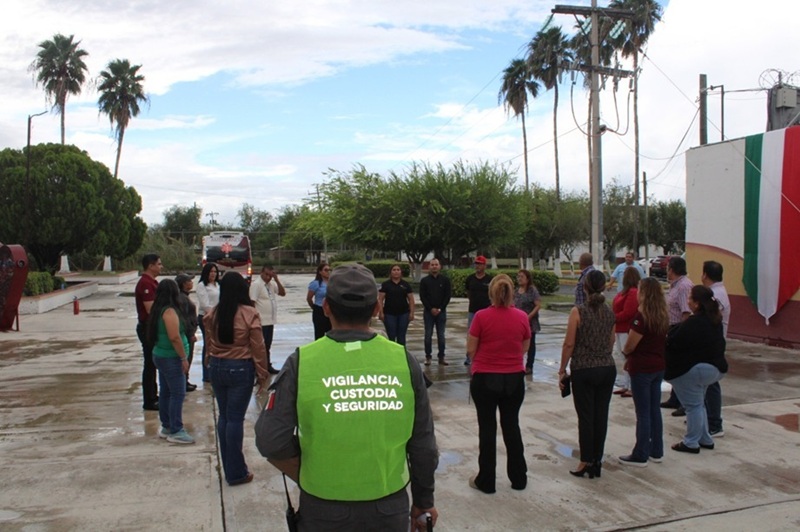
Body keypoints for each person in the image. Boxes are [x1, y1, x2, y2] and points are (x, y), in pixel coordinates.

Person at [255, 263, 439, 531]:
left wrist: (308, 468)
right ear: (376, 309)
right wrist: (423, 501)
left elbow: (270, 440)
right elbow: (423, 445)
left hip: (323, 509)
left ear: (326, 307)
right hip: (387, 508)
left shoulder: (301, 362)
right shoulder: (404, 361)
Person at [467, 274, 531, 493]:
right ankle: (519, 477)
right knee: (511, 425)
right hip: (513, 378)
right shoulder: (522, 317)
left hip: (485, 377)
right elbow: (525, 345)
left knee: (487, 429)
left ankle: (486, 480)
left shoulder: (481, 317)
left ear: (491, 293)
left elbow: (471, 349)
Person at [205, 272, 268, 485]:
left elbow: (209, 343)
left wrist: (209, 362)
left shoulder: (213, 313)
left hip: (217, 366)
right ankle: (236, 473)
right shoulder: (249, 313)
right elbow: (258, 347)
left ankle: (231, 469)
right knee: (234, 419)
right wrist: (262, 373)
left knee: (224, 417)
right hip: (240, 368)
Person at [558, 269, 616, 479]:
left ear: (585, 287)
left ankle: (585, 460)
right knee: (601, 415)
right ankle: (597, 459)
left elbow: (569, 343)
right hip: (606, 367)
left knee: (586, 416)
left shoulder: (578, 311)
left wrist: (562, 368)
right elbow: (611, 341)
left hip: (584, 368)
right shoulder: (609, 311)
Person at [665, 285, 727, 454]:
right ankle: (704, 438)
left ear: (697, 303)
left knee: (692, 406)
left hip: (695, 369)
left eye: (690, 298)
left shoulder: (694, 322)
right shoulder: (715, 319)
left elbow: (675, 341)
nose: (688, 301)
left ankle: (691, 442)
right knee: (699, 404)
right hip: (715, 369)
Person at [617, 277, 669, 467]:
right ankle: (656, 450)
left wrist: (626, 354)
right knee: (654, 409)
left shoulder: (642, 317)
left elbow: (631, 344)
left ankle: (640, 453)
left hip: (642, 368)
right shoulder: (662, 315)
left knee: (643, 412)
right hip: (658, 366)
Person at [146, 279, 194, 444]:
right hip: (171, 358)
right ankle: (176, 429)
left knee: (166, 392)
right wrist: (183, 358)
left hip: (162, 355)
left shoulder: (158, 309)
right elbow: (174, 337)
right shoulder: (169, 312)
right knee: (177, 393)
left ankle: (167, 425)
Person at [661, 256, 693, 415]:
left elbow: (686, 312)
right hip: (672, 328)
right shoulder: (675, 285)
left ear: (672, 269)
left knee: (681, 366)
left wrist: (682, 333)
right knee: (674, 365)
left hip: (679, 329)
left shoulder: (684, 286)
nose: (666, 271)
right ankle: (674, 398)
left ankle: (683, 402)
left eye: (668, 268)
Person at [702, 260, 730, 437]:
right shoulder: (717, 291)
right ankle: (705, 417)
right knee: (705, 383)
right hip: (712, 343)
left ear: (705, 275)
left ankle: (714, 423)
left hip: (712, 345)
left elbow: (708, 319)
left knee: (711, 383)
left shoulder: (715, 295)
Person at [135, 254, 162, 411]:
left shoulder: (152, 282)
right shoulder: (145, 283)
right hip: (147, 327)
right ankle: (149, 400)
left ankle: (153, 395)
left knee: (153, 364)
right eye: (159, 264)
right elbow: (150, 309)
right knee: (150, 364)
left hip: (151, 327)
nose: (161, 267)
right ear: (151, 266)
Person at [249, 264, 285, 375]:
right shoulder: (256, 285)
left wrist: (276, 280)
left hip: (270, 320)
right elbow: (252, 302)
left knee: (267, 345)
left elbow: (282, 293)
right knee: (260, 346)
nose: (268, 277)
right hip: (261, 321)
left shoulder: (271, 284)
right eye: (266, 274)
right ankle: (258, 367)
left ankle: (267, 365)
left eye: (270, 275)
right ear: (262, 273)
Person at [612, 267, 640, 397]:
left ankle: (632, 386)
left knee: (628, 357)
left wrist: (613, 317)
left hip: (626, 329)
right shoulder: (623, 292)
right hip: (619, 328)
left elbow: (628, 312)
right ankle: (626, 384)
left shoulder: (633, 292)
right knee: (622, 357)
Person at [419, 258, 451, 366]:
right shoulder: (424, 281)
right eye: (432, 265)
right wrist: (430, 308)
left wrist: (440, 308)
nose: (434, 266)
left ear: (439, 266)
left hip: (441, 312)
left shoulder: (445, 280)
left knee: (441, 336)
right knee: (428, 335)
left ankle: (441, 357)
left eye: (436, 264)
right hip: (428, 312)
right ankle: (428, 357)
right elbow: (423, 297)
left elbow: (447, 296)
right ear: (429, 267)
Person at [379, 264, 416, 346]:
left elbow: (411, 299)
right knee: (391, 336)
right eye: (394, 270)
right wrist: (381, 312)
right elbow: (380, 299)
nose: (396, 272)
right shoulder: (385, 285)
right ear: (391, 272)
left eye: (398, 270)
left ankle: (401, 353)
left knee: (401, 337)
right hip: (389, 314)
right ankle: (391, 353)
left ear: (401, 272)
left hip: (403, 314)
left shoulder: (405, 284)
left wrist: (412, 313)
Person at [464, 255, 491, 365]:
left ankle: (485, 355)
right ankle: (469, 357)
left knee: (486, 334)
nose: (478, 266)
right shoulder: (470, 279)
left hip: (486, 312)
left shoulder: (489, 279)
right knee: (471, 334)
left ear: (484, 266)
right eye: (476, 264)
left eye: (480, 264)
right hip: (473, 311)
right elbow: (468, 293)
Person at [196, 262, 221, 384]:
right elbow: (205, 304)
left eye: (215, 272)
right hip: (206, 318)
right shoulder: (202, 286)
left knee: (217, 344)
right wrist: (214, 314)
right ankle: (207, 374)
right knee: (208, 345)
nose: (213, 274)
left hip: (218, 317)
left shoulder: (218, 285)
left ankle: (215, 371)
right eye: (211, 271)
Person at [513, 269, 541, 375]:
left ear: (527, 279)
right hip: (518, 322)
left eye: (522, 277)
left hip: (530, 322)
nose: (519, 279)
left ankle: (529, 366)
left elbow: (538, 305)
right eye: (518, 276)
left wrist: (529, 316)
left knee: (530, 344)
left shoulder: (532, 290)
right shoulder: (516, 291)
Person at [175, 273, 199, 392]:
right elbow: (185, 318)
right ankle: (183, 380)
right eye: (189, 281)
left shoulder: (183, 297)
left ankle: (185, 380)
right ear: (184, 284)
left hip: (188, 333)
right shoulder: (182, 299)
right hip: (187, 334)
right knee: (186, 357)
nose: (192, 283)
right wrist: (191, 334)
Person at [306, 262, 331, 340]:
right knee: (319, 334)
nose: (328, 272)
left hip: (331, 311)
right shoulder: (316, 283)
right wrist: (314, 307)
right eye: (326, 270)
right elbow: (309, 298)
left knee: (332, 334)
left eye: (329, 270)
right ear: (320, 272)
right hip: (319, 310)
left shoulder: (332, 283)